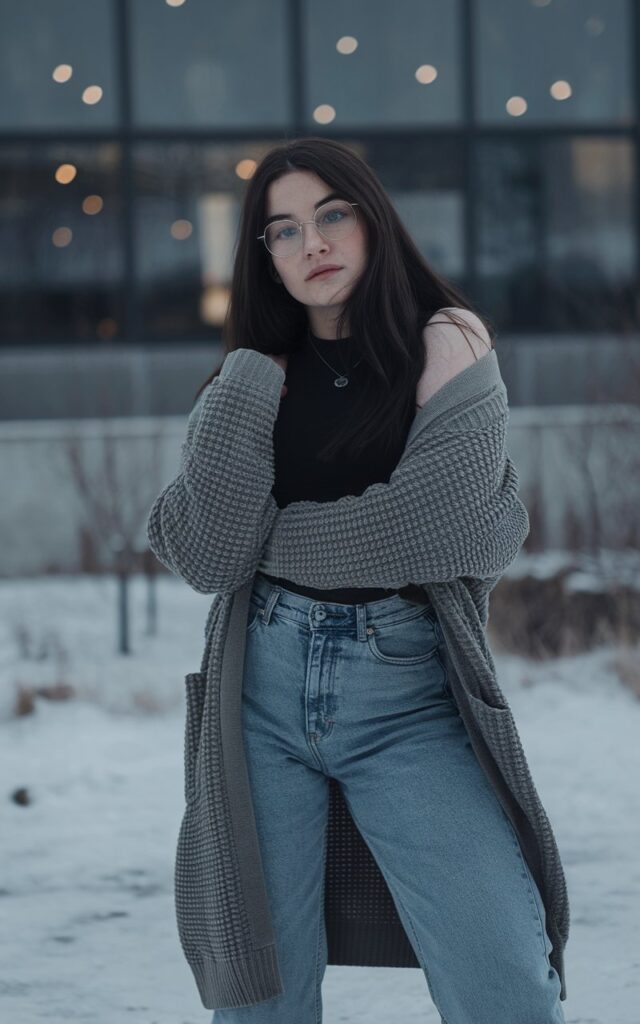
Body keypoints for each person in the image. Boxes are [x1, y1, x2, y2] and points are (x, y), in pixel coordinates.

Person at [148, 136, 568, 1023]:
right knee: (262, 995)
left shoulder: (443, 347)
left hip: (408, 696)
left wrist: (277, 538)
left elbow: (444, 528)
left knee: (506, 982)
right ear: (264, 255)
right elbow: (206, 554)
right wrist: (245, 381)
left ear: (372, 219)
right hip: (259, 697)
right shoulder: (254, 378)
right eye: (285, 230)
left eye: (332, 214)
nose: (314, 243)